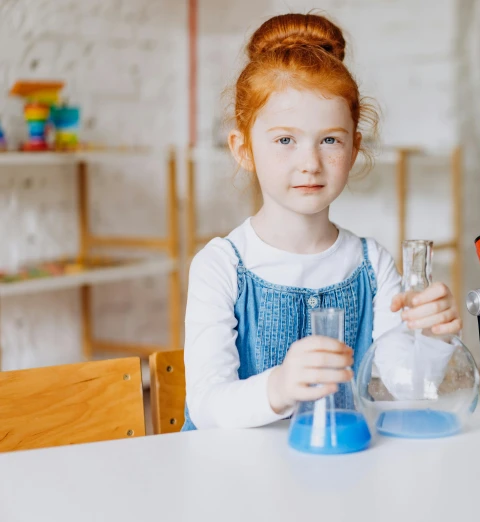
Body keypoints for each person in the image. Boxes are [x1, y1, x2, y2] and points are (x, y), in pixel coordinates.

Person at [182, 13, 462, 430]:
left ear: (353, 149)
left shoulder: (372, 265)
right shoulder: (220, 266)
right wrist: (279, 386)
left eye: (330, 140)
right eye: (285, 140)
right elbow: (207, 406)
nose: (310, 163)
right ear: (243, 149)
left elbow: (407, 388)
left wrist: (433, 338)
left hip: (342, 476)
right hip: (238, 484)